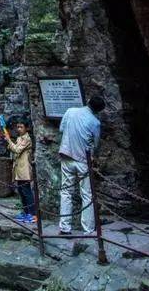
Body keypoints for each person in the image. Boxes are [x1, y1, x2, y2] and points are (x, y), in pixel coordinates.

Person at [58, 95, 105, 234]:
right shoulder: (95, 122)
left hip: (67, 155)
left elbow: (61, 129)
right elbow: (96, 144)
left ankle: (65, 227)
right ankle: (88, 228)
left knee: (66, 192)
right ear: (98, 110)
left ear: (88, 101)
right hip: (84, 160)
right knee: (87, 194)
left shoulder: (70, 111)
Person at [3, 118, 35, 223]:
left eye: (21, 127)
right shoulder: (20, 138)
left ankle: (32, 214)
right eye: (18, 127)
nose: (19, 129)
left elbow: (17, 150)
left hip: (24, 169)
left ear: (26, 128)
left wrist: (8, 139)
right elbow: (15, 149)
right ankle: (26, 212)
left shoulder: (27, 139)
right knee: (21, 191)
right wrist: (9, 142)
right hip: (19, 169)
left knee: (26, 191)